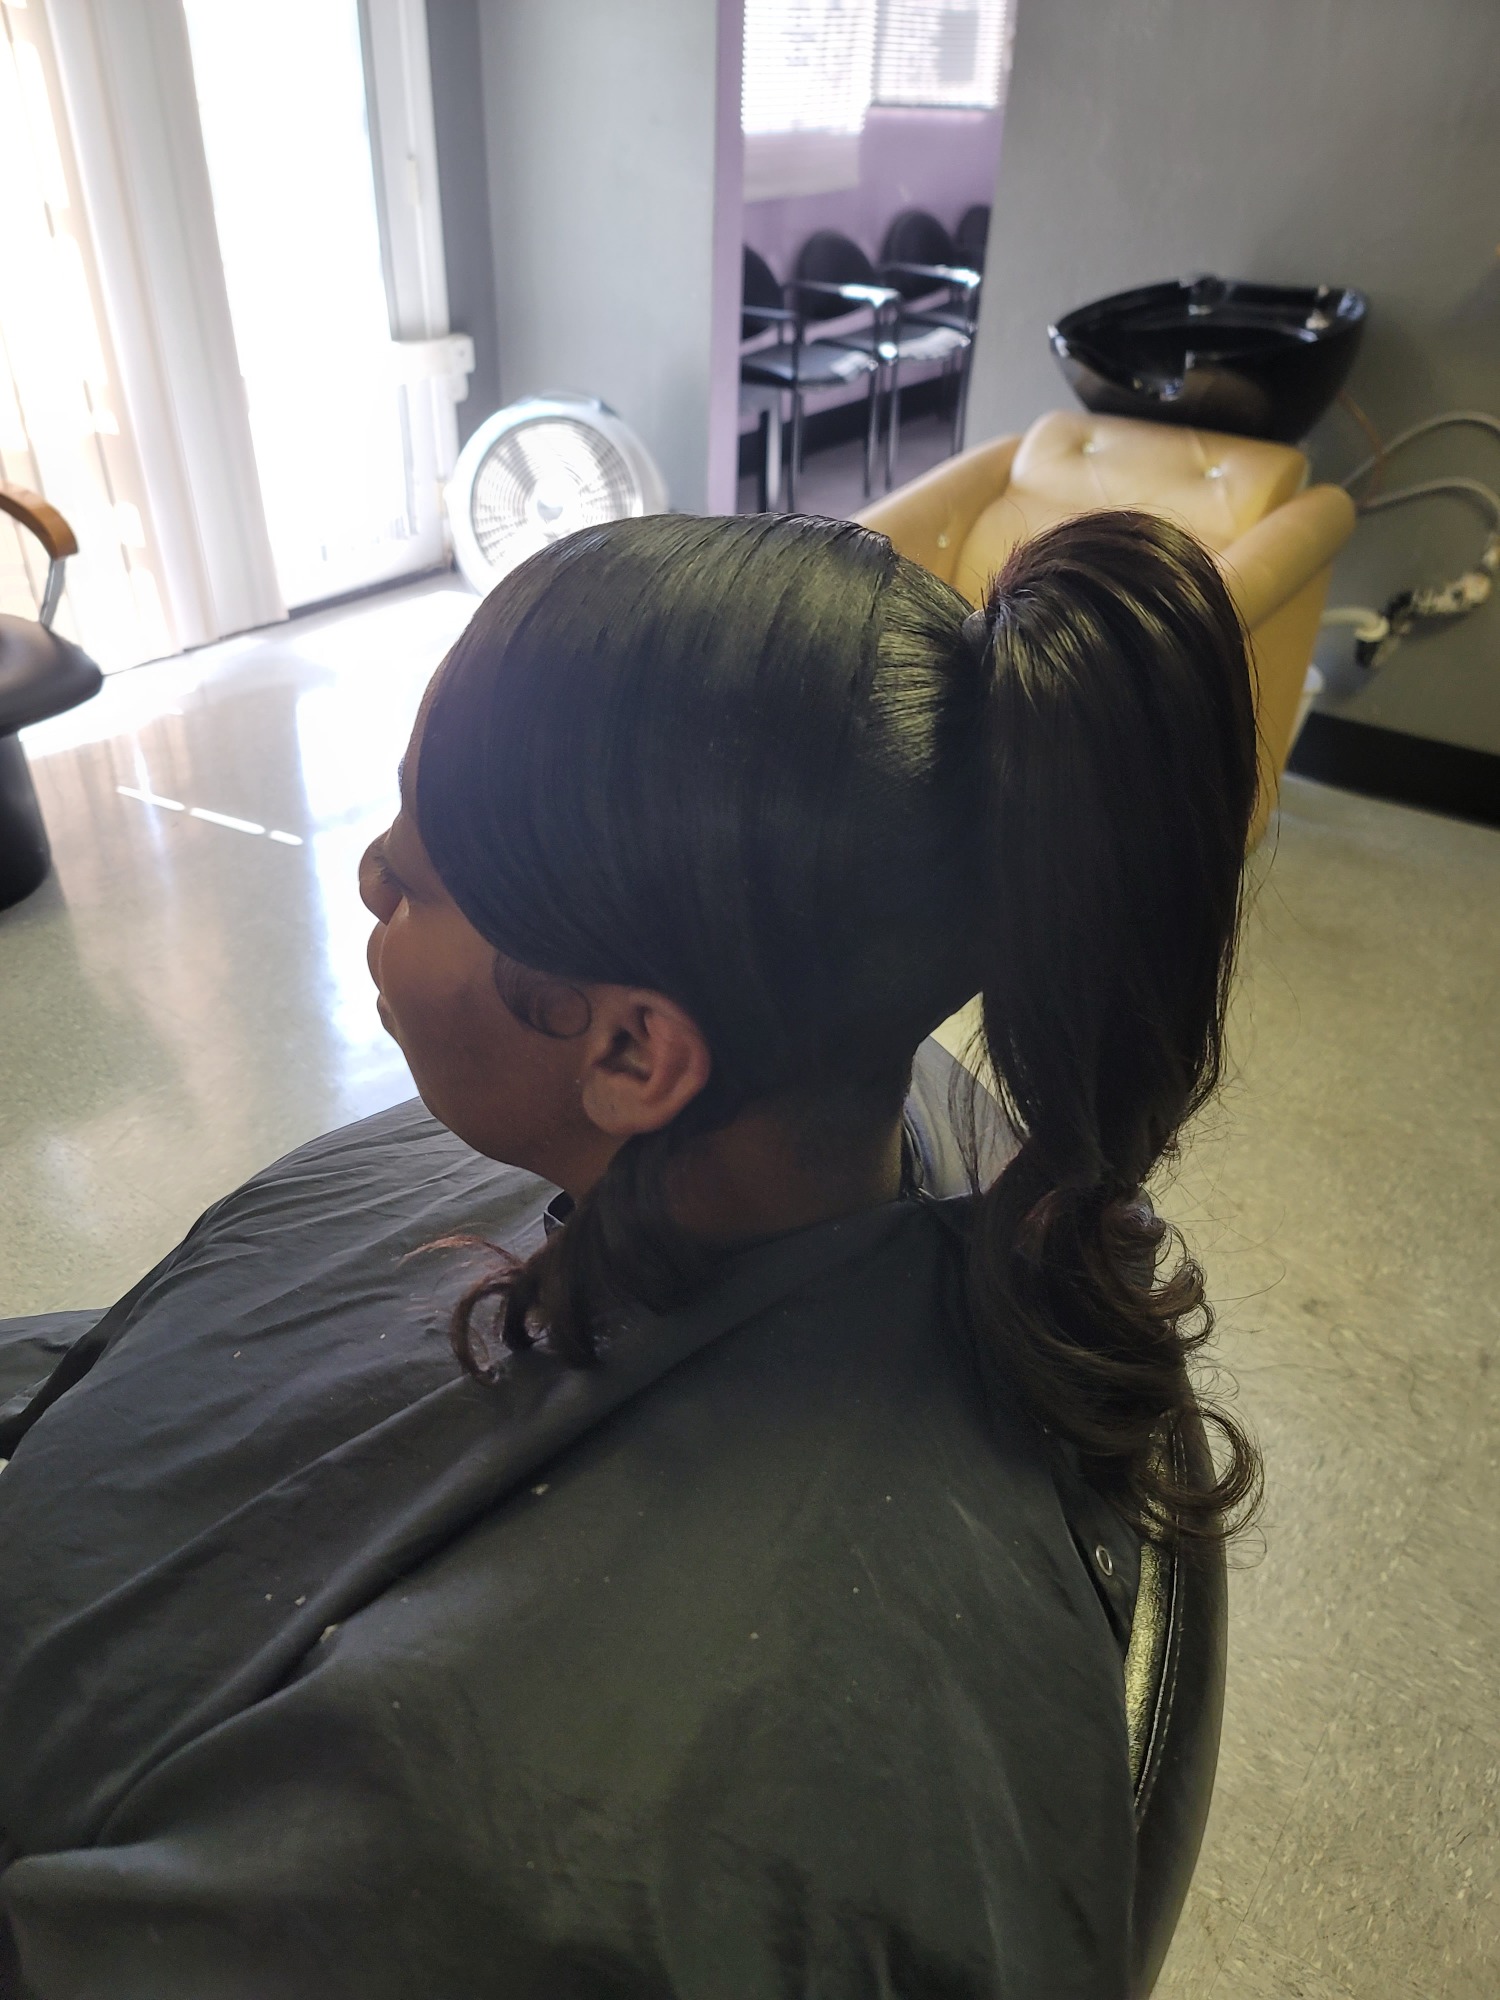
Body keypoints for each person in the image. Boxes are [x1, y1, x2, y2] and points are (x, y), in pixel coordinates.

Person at [0, 509, 1259, 1998]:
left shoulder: (499, 1843)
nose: (369, 877)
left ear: (634, 1050)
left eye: (428, 867)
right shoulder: (883, 1096)